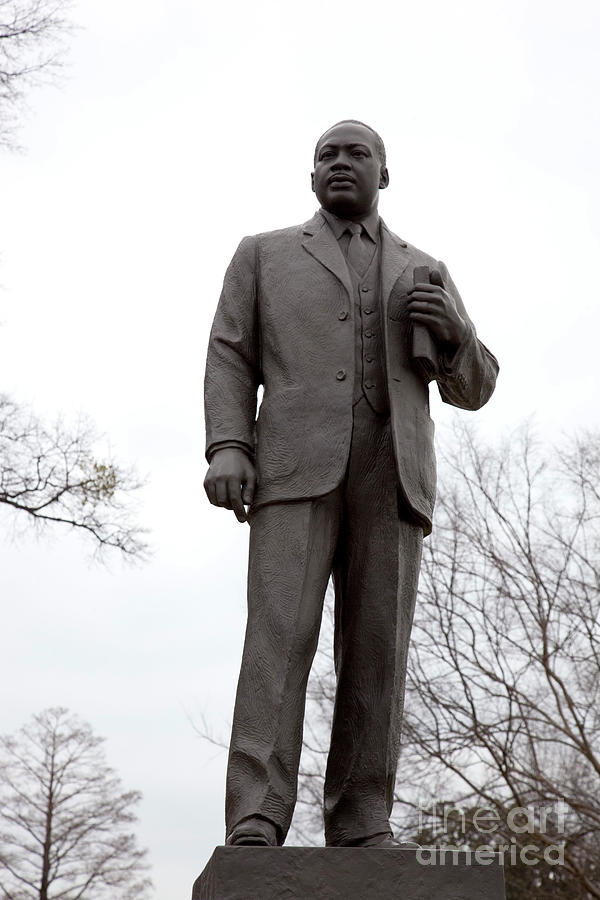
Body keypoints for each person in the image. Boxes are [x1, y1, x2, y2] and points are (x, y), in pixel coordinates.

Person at [203, 120, 498, 848]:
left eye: (356, 153)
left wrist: (457, 332)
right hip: (292, 471)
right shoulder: (264, 255)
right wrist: (229, 445)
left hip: (392, 476)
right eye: (326, 155)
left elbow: (478, 386)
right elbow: (230, 355)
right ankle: (257, 815)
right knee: (278, 639)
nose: (340, 163)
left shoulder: (424, 266)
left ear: (383, 174)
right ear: (311, 180)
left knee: (377, 651)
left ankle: (363, 816)